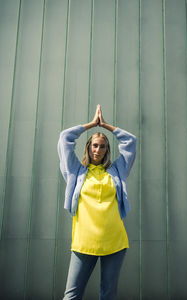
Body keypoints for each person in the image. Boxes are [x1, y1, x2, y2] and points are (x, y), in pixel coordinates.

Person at [57, 105, 137, 300]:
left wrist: (107, 126)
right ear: (88, 147)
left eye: (102, 146)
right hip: (84, 242)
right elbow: (65, 138)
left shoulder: (117, 171)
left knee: (108, 294)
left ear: (107, 150)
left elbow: (130, 141)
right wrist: (92, 125)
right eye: (94, 145)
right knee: (72, 295)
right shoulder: (76, 172)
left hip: (115, 241)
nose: (98, 149)